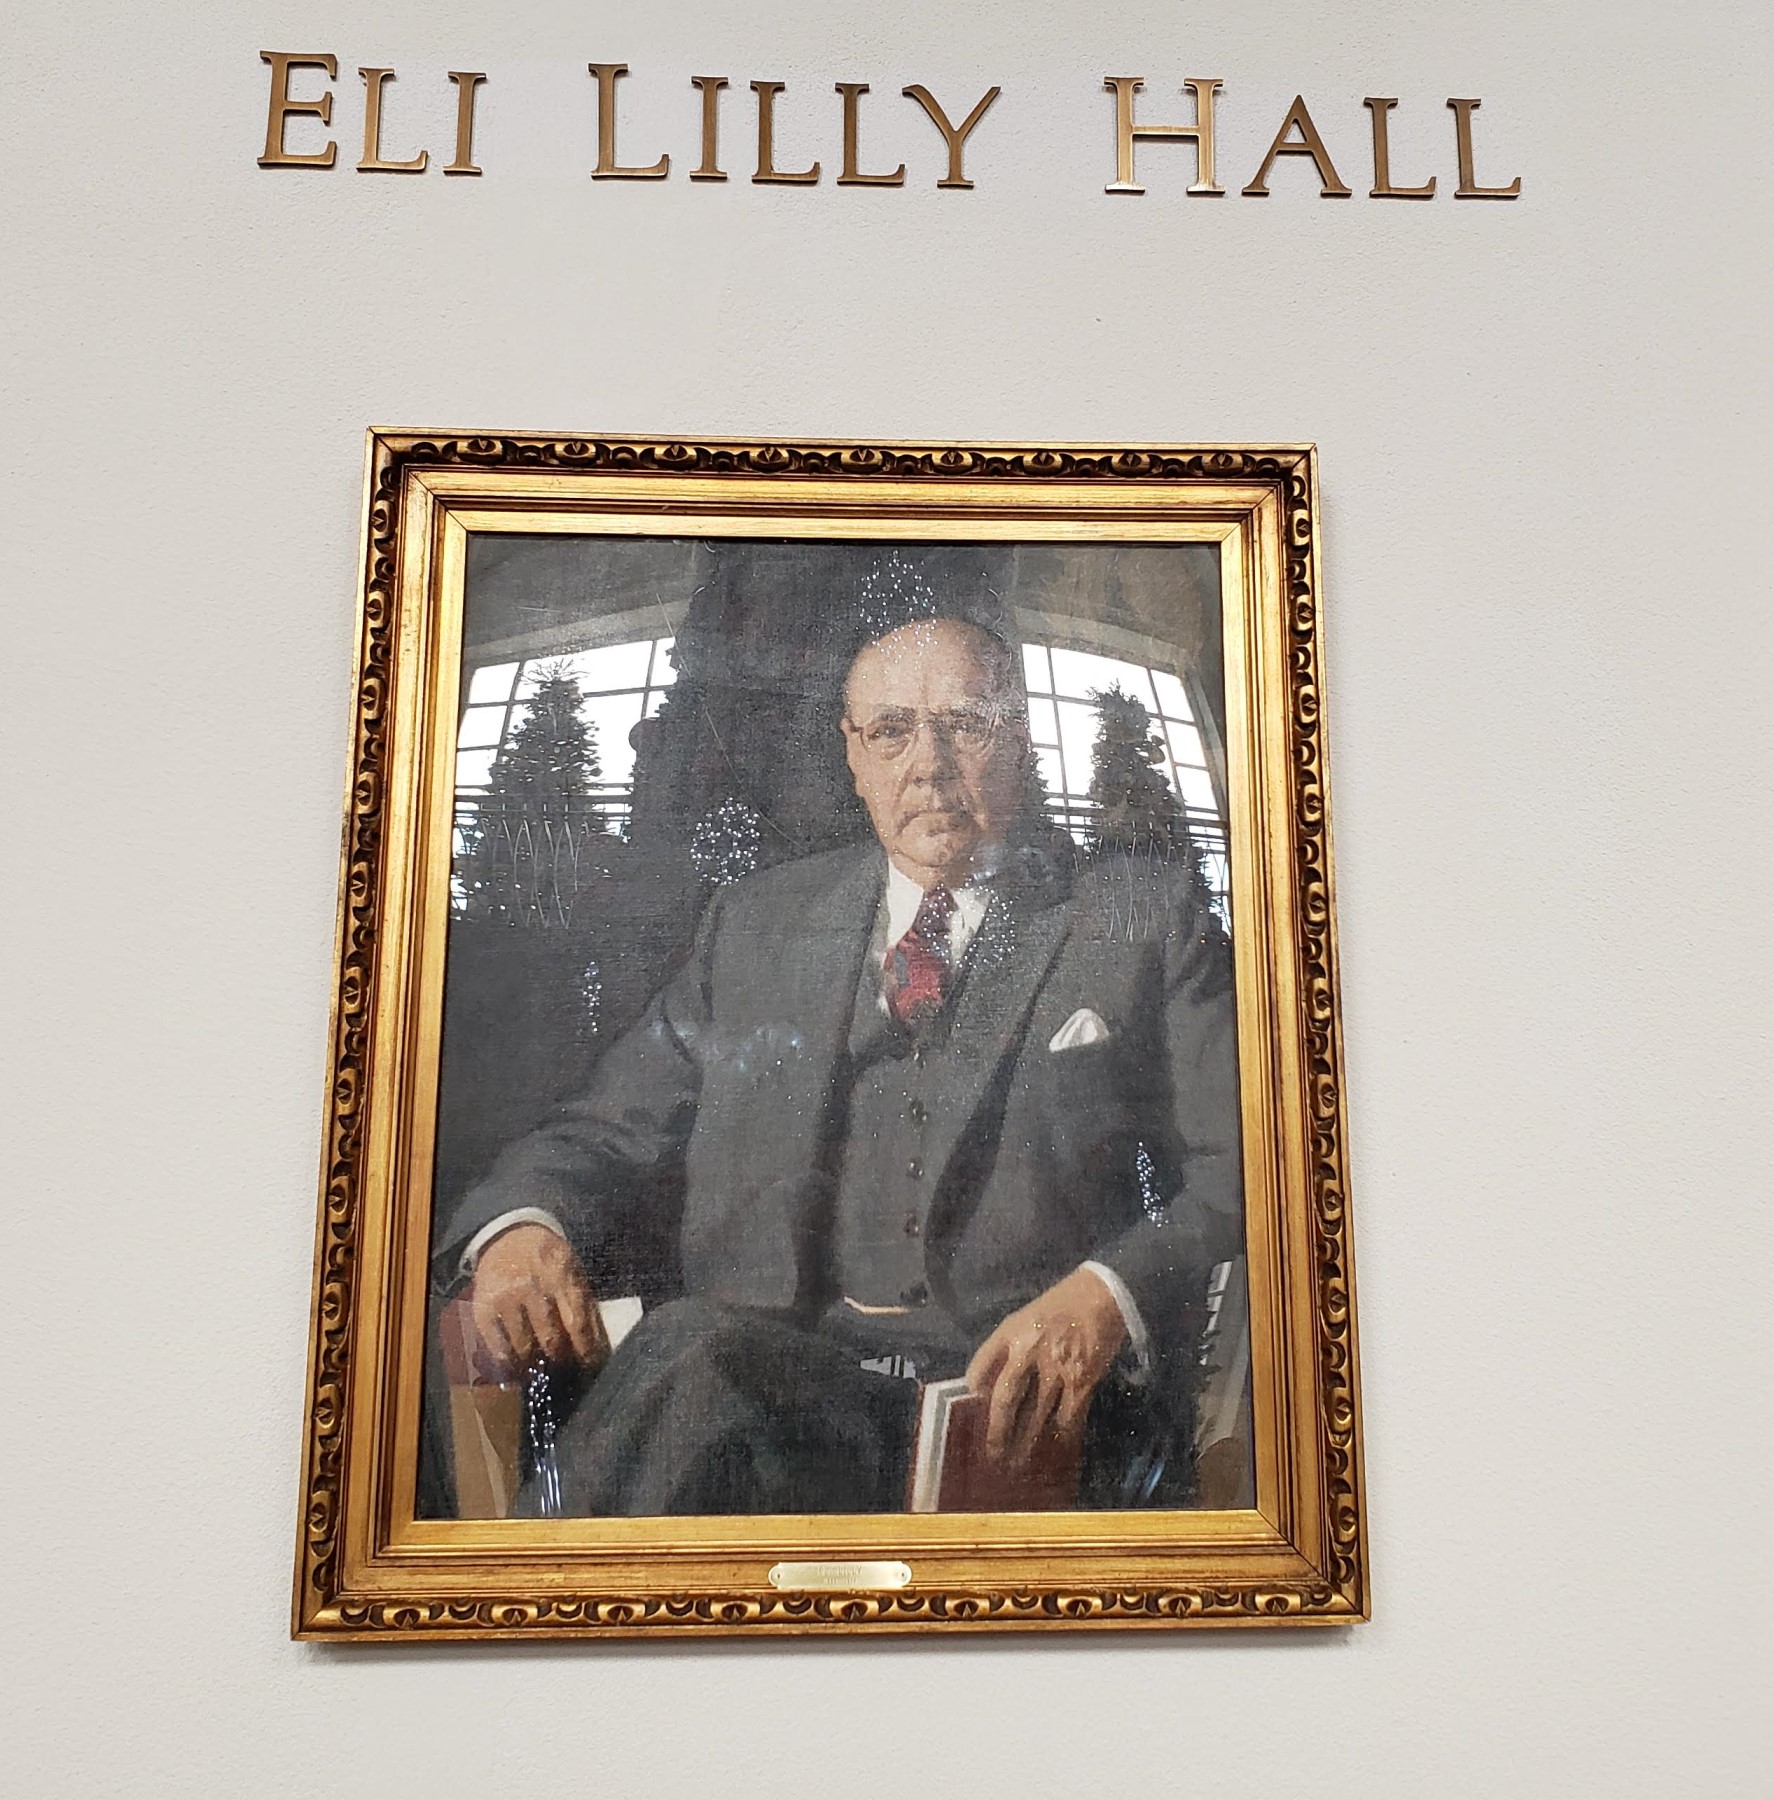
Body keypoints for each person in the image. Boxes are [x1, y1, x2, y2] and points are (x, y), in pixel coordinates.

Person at [436, 614, 1242, 1515]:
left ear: (1019, 737)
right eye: (892, 732)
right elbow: (605, 1127)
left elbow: (1248, 1165)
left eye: (965, 725)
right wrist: (521, 1228)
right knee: (676, 1369)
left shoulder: (1139, 920)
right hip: (774, 1397)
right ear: (854, 757)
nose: (928, 765)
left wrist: (1107, 1295)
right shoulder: (758, 922)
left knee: (689, 1367)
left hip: (1017, 1418)